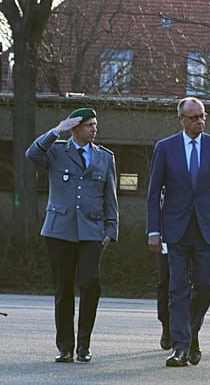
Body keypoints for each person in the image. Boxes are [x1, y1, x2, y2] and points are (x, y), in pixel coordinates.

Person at [25, 107, 119, 363]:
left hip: (91, 231)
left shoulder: (104, 157)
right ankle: (66, 346)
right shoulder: (56, 151)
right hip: (59, 230)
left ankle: (84, 345)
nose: (94, 129)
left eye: (95, 124)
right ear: (75, 128)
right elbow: (32, 154)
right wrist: (56, 131)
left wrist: (111, 228)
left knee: (90, 283)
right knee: (63, 288)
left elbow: (110, 195)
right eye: (89, 124)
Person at [146, 97, 210, 367]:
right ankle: (181, 347)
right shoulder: (165, 148)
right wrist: (153, 230)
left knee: (205, 288)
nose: (200, 122)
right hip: (176, 229)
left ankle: (191, 334)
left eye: (202, 116)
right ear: (181, 119)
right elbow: (153, 194)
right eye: (194, 117)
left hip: (208, 229)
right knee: (177, 289)